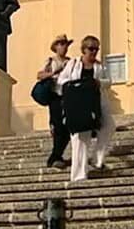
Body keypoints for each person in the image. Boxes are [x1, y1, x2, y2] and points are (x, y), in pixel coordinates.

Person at [57, 35, 115, 182]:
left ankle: (96, 160)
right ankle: (79, 175)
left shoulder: (99, 66)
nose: (94, 52)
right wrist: (77, 85)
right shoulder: (73, 64)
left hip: (97, 102)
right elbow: (61, 80)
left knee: (109, 126)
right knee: (80, 138)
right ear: (83, 49)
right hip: (78, 104)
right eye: (91, 48)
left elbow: (109, 81)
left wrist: (99, 82)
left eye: (96, 49)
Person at [37, 34, 73, 170]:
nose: (64, 47)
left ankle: (55, 156)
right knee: (58, 128)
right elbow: (39, 75)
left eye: (66, 44)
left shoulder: (71, 62)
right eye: (61, 44)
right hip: (55, 97)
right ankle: (55, 157)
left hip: (68, 97)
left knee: (68, 127)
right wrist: (53, 73)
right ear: (56, 47)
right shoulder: (51, 61)